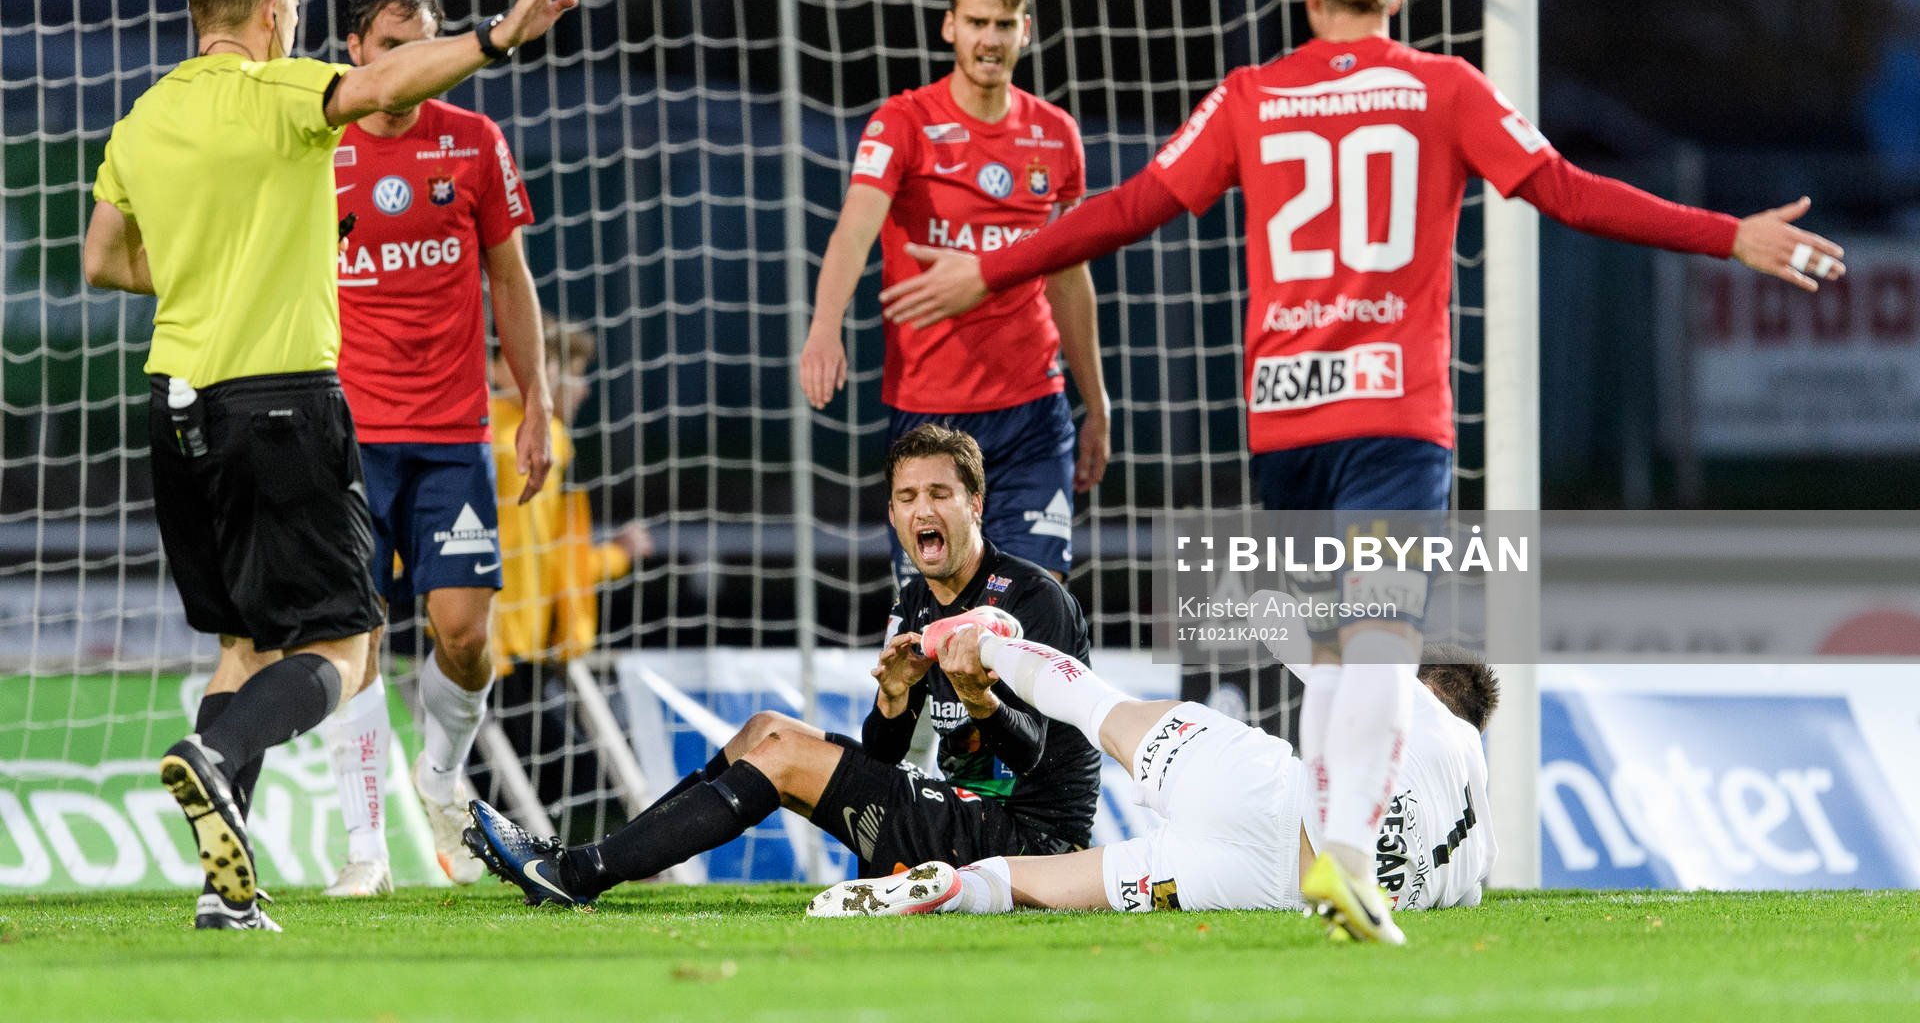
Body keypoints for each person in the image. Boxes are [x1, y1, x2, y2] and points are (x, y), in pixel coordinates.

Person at [875, 0, 1848, 941]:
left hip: (1288, 417)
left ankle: (1323, 843)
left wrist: (989, 264)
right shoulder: (1445, 88)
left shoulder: (1253, 94)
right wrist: (1724, 234)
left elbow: (1129, 208)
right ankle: (1342, 857)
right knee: (1378, 645)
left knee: (1324, 647)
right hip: (1394, 415)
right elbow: (1566, 191)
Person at [82, 0, 575, 930]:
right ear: (275, 10)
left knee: (244, 641)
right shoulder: (287, 90)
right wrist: (495, 38)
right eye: (296, 7)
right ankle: (216, 755)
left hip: (173, 405)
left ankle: (227, 892)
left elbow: (102, 258)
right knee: (347, 642)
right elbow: (377, 91)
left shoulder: (143, 115)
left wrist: (209, 272)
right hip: (283, 401)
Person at [462, 424, 1101, 906]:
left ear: (976, 505)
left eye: (940, 494)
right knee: (762, 729)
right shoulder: (914, 601)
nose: (922, 510)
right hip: (962, 813)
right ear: (892, 515)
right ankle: (587, 862)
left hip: (1033, 844)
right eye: (907, 497)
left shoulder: (1031, 599)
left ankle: (574, 876)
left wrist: (982, 702)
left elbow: (1041, 759)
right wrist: (893, 699)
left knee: (785, 759)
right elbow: (885, 753)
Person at [322, 0, 555, 898]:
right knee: (356, 638)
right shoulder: (319, 144)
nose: (410, 63)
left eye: (422, 43)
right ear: (355, 51)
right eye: (390, 45)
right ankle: (366, 848)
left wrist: (534, 398)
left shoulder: (473, 142)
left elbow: (510, 276)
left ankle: (440, 773)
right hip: (347, 437)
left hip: (454, 432)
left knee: (461, 637)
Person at [808, 626, 1497, 936]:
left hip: (1262, 792)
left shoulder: (1406, 699)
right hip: (1267, 887)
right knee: (1058, 885)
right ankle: (958, 887)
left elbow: (1293, 637)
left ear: (1426, 682)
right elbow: (1463, 893)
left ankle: (985, 641)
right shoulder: (1481, 842)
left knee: (1100, 710)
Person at [800, 0, 1109, 584]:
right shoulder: (905, 122)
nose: (989, 39)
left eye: (1003, 24)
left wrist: (1096, 402)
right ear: (950, 28)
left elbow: (1069, 275)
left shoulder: (1056, 136)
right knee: (936, 618)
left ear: (1024, 31)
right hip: (930, 415)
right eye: (976, 22)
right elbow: (856, 225)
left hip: (1033, 410)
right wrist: (824, 326)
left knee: (1035, 604)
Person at [484, 322, 650, 829]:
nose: (581, 388)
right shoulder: (503, 437)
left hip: (524, 644)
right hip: (492, 641)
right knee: (575, 772)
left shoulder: (542, 440)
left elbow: (558, 562)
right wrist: (618, 555)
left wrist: (613, 556)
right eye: (571, 372)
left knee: (558, 771)